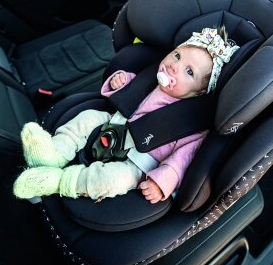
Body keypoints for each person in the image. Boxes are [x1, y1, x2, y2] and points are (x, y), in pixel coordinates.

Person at [13, 27, 239, 203]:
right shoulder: (151, 79)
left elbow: (183, 159)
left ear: (199, 92)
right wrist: (119, 81)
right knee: (88, 117)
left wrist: (163, 181)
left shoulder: (191, 124)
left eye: (189, 72)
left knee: (112, 180)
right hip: (116, 122)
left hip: (139, 161)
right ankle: (54, 153)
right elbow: (130, 89)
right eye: (177, 56)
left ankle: (60, 182)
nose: (174, 67)